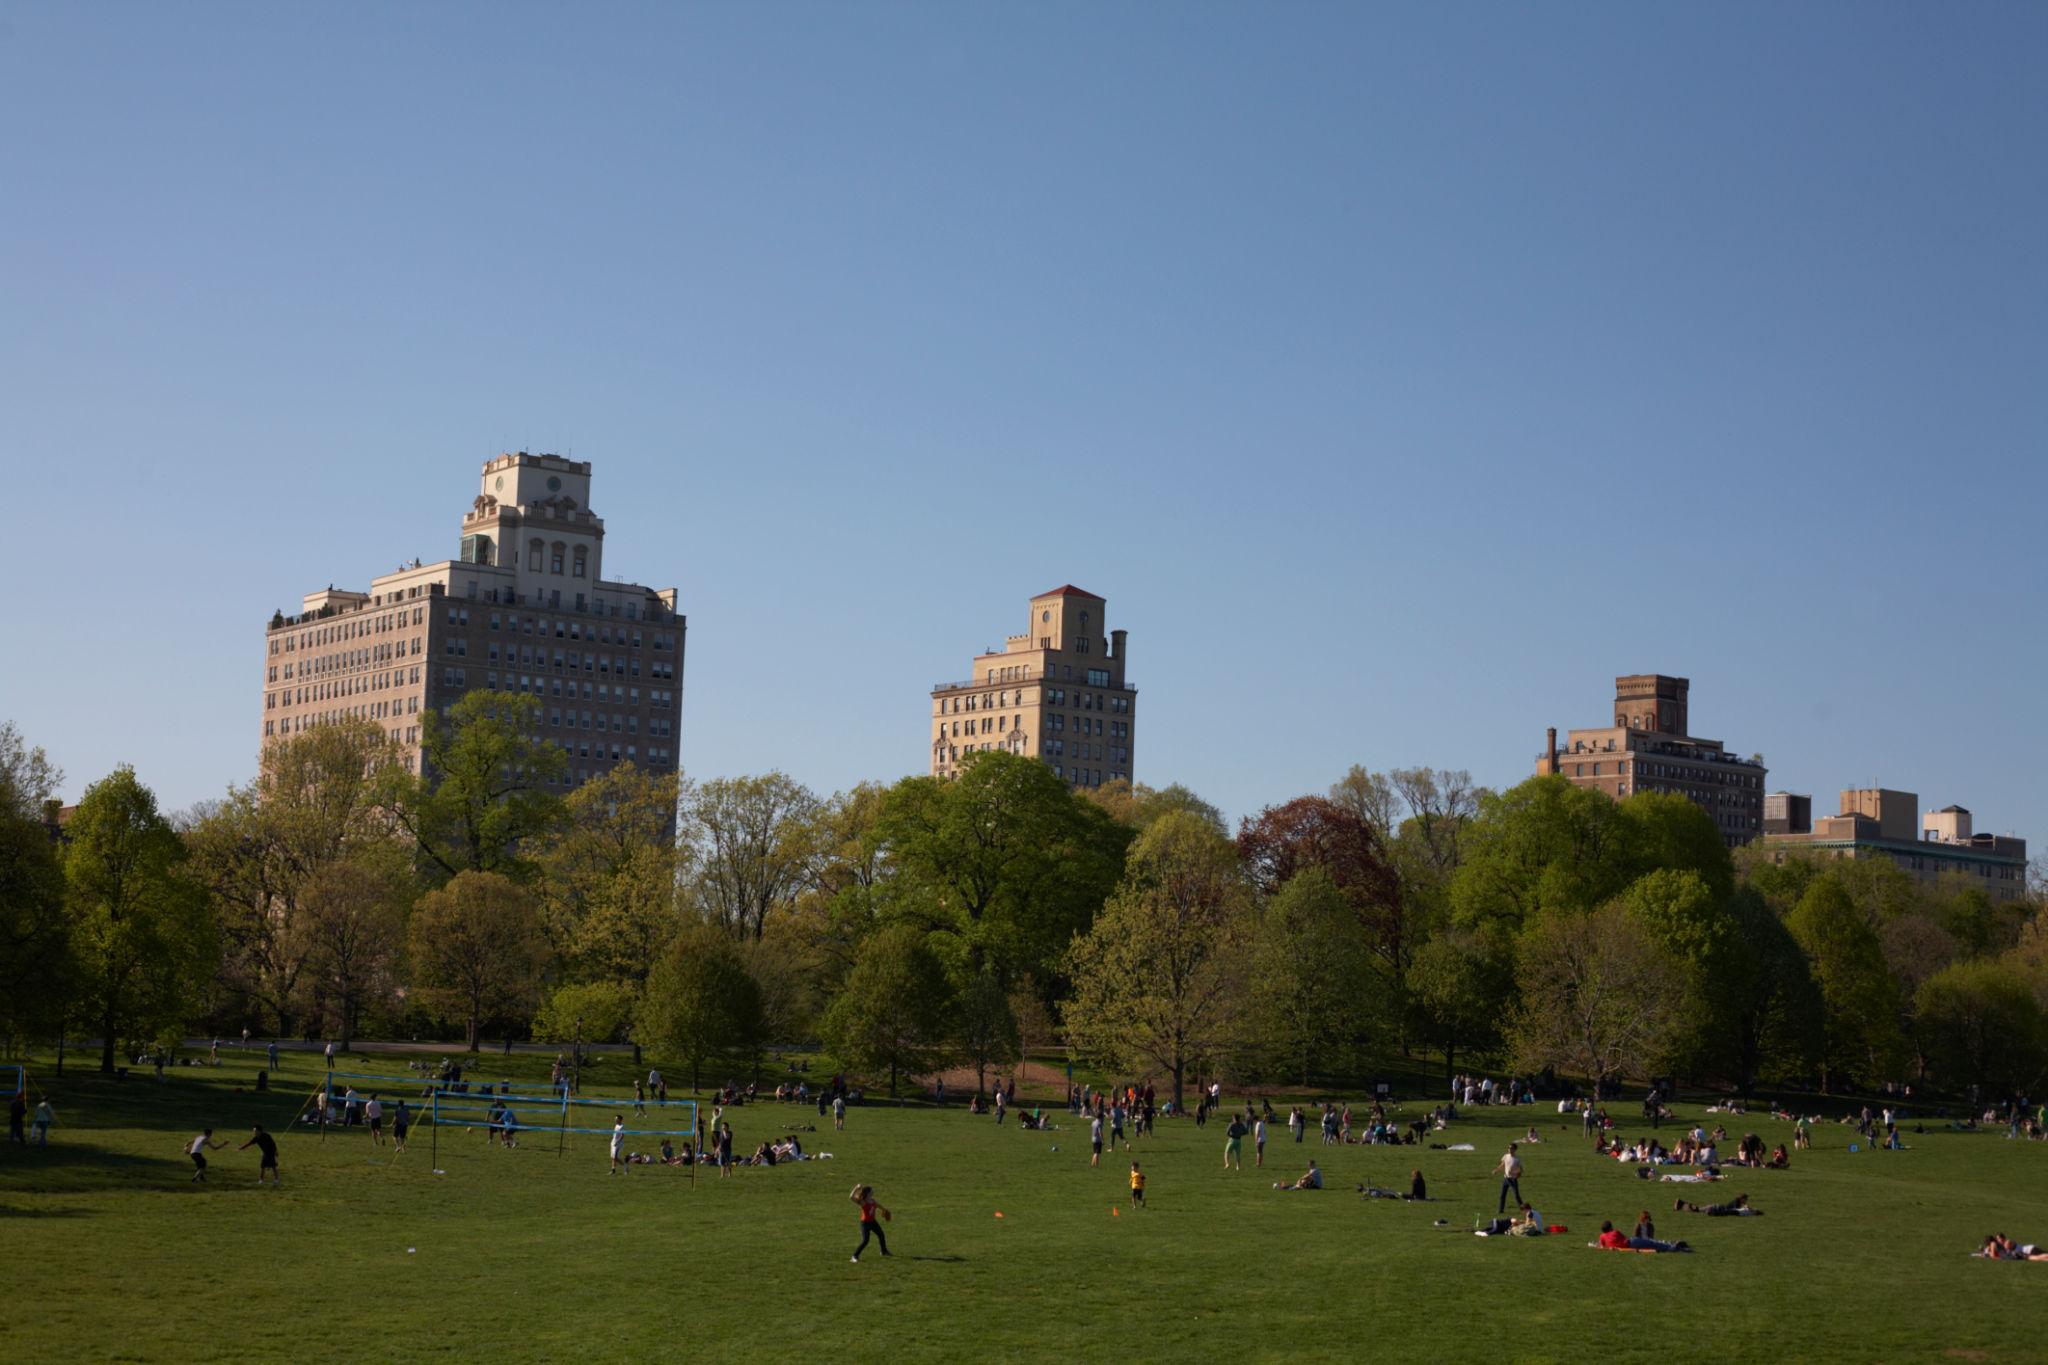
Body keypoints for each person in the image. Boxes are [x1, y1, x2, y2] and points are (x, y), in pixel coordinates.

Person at [850, 1184, 892, 1261]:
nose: (873, 1191)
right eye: (871, 1190)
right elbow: (851, 1197)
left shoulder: (872, 1200)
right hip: (865, 1224)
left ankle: (883, 1251)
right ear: (868, 1193)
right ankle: (854, 1256)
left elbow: (877, 1205)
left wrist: (884, 1209)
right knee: (865, 1240)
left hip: (873, 1222)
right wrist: (857, 1187)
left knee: (881, 1234)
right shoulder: (863, 1202)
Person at [1675, 1193, 1761, 1216]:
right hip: (1717, 1207)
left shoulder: (1738, 1202)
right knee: (1697, 1210)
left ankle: (1681, 1204)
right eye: (1745, 1199)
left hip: (1717, 1207)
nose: (1746, 1201)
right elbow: (1733, 1210)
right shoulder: (1737, 1202)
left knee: (1698, 1210)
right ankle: (1681, 1204)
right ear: (1742, 1198)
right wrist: (1748, 1208)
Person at [1497, 1142, 1523, 1213]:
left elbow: (1520, 1170)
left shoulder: (1517, 1159)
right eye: (1509, 1148)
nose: (1509, 1149)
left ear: (1515, 1149)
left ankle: (1524, 1209)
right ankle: (1501, 1210)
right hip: (1506, 1179)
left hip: (1513, 1180)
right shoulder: (1505, 1156)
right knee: (1502, 1195)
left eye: (1511, 1148)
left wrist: (1514, 1173)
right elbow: (1502, 1164)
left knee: (1516, 1196)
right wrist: (1496, 1170)